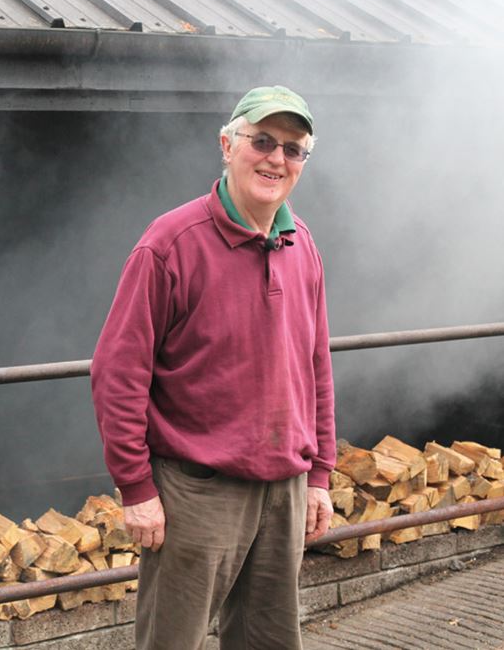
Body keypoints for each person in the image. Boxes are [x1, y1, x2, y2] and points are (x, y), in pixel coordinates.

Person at [91, 85, 336, 649]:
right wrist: (135, 486)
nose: (276, 158)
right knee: (172, 642)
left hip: (285, 490)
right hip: (198, 491)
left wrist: (319, 474)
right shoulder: (170, 243)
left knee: (270, 641)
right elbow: (118, 373)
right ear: (227, 144)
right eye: (263, 141)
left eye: (293, 149)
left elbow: (316, 366)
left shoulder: (303, 245)